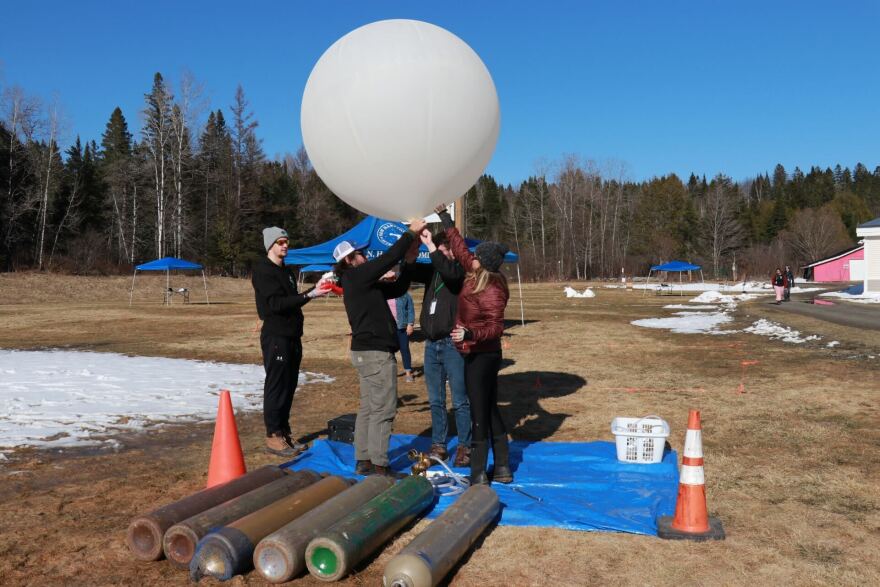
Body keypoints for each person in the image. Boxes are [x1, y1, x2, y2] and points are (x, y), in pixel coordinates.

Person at [334, 218, 426, 476]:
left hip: (365, 352)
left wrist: (408, 261)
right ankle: (379, 464)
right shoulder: (357, 275)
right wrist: (410, 233)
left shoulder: (361, 283)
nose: (364, 256)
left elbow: (398, 287)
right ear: (349, 260)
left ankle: (363, 459)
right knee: (384, 409)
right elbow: (388, 257)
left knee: (368, 408)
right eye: (360, 254)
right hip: (375, 353)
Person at [435, 205, 512, 485]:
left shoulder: (492, 287)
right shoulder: (476, 271)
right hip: (474, 352)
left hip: (483, 356)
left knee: (479, 410)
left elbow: (496, 327)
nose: (472, 258)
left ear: (486, 262)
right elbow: (460, 247)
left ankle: (478, 472)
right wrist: (445, 219)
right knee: (489, 407)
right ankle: (502, 466)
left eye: (478, 256)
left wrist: (469, 333)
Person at [252, 226, 331, 456]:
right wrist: (309, 295)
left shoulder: (286, 271)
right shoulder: (263, 270)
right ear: (270, 245)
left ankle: (284, 432)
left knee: (289, 385)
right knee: (276, 385)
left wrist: (315, 289)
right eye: (280, 242)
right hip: (276, 335)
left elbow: (293, 300)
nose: (285, 245)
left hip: (293, 335)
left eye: (286, 241)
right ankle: (273, 434)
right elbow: (276, 304)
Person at [408, 228, 471, 467]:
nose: (441, 255)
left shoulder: (458, 271)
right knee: (435, 399)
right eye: (440, 250)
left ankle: (465, 445)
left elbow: (450, 273)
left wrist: (433, 248)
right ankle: (439, 445)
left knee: (460, 399)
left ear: (453, 252)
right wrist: (413, 246)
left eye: (445, 250)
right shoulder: (433, 272)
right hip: (431, 343)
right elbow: (412, 268)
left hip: (452, 344)